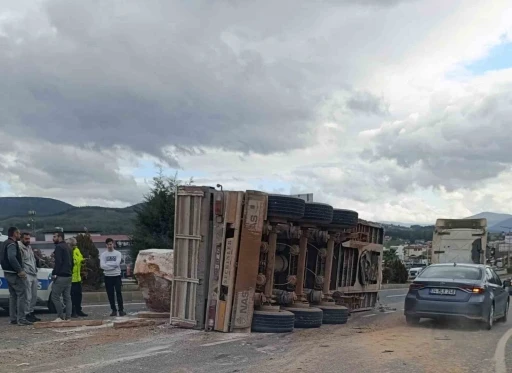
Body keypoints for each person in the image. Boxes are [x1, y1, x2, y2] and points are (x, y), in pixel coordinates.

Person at [0, 227, 32, 325]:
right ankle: (21, 319)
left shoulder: (4, 243)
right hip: (14, 273)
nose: (19, 235)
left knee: (13, 296)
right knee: (22, 295)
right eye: (18, 233)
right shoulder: (12, 244)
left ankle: (13, 318)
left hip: (7, 272)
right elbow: (12, 257)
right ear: (14, 234)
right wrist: (20, 270)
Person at [19, 232, 41, 322]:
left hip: (33, 273)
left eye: (29, 239)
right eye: (26, 239)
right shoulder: (19, 248)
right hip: (26, 273)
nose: (28, 240)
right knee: (27, 296)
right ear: (21, 239)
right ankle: (26, 314)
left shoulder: (29, 247)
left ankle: (31, 312)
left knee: (34, 296)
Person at [51, 232, 73, 321]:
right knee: (67, 297)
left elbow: (58, 262)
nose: (53, 238)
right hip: (69, 275)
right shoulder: (68, 247)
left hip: (61, 276)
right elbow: (72, 262)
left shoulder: (59, 247)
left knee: (55, 296)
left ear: (60, 237)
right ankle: (68, 317)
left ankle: (60, 316)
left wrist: (54, 273)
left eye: (54, 237)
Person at [100, 238, 125, 316]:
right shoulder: (103, 254)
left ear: (113, 244)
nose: (110, 246)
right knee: (110, 294)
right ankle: (113, 310)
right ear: (106, 245)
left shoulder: (118, 253)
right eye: (108, 244)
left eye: (111, 244)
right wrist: (112, 266)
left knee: (118, 293)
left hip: (116, 275)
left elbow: (117, 264)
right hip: (107, 276)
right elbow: (102, 266)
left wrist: (108, 266)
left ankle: (121, 310)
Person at [67, 237, 88, 318]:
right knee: (72, 296)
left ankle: (79, 310)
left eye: (74, 244)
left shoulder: (77, 250)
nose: (74, 246)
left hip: (77, 277)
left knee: (78, 295)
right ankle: (73, 311)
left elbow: (80, 259)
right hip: (71, 277)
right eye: (72, 245)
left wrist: (83, 261)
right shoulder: (68, 252)